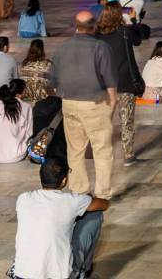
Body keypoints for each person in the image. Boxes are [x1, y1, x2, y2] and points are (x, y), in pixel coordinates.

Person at [51, 11, 117, 200]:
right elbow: (110, 79)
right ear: (94, 26)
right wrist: (112, 102)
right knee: (102, 150)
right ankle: (102, 193)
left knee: (75, 150)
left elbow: (53, 82)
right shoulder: (101, 47)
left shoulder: (62, 48)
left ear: (75, 26)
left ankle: (79, 191)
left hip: (69, 103)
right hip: (95, 104)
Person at [11, 156, 110, 279]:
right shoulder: (71, 201)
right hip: (59, 276)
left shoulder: (23, 198)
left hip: (22, 274)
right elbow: (104, 205)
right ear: (64, 181)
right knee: (95, 214)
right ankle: (82, 271)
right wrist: (87, 199)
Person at [96, 5, 149, 166]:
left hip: (105, 85)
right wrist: (133, 20)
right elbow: (140, 38)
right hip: (125, 82)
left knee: (104, 120)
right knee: (127, 120)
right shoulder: (125, 32)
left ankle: (102, 152)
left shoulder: (97, 34)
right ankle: (128, 154)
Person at [0, 78, 33, 163]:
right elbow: (29, 132)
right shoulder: (26, 107)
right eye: (25, 91)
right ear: (18, 95)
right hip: (15, 155)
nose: (26, 93)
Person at [20, 39, 54, 103]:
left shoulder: (24, 63)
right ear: (42, 50)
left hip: (26, 99)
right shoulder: (48, 64)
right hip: (42, 100)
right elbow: (53, 83)